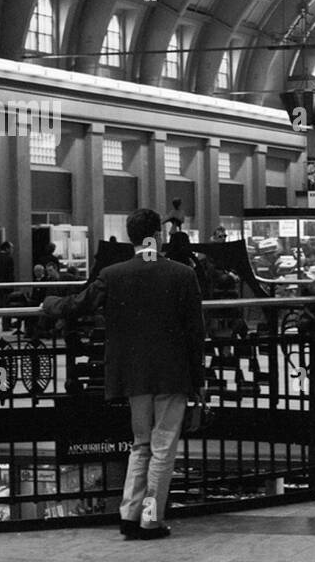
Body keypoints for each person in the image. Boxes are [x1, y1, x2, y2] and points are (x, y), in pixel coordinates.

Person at [54, 208, 205, 537]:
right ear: (159, 236)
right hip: (172, 373)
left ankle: (129, 514)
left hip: (133, 375)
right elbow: (195, 334)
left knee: (140, 444)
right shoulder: (182, 275)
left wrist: (49, 304)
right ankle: (150, 518)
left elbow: (79, 304)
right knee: (163, 447)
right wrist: (199, 382)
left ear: (130, 237)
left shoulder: (114, 274)